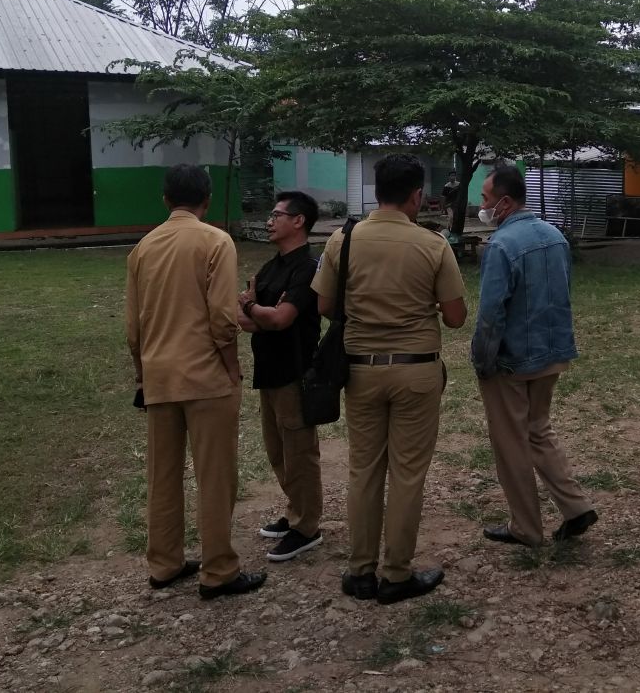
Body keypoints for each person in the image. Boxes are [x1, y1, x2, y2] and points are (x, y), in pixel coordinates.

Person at [312, 153, 467, 605]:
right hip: (416, 371)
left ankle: (359, 570)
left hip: (360, 370)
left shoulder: (343, 240)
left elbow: (323, 306)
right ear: (417, 195)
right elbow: (456, 317)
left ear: (375, 192)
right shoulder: (433, 245)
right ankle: (396, 573)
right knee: (407, 474)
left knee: (364, 470)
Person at [125, 164, 266, 599]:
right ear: (206, 200)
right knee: (215, 475)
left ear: (166, 199)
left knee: (162, 475)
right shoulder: (215, 241)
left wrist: (143, 374)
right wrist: (231, 369)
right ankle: (219, 569)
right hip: (206, 377)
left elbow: (133, 328)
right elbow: (223, 319)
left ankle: (164, 564)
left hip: (159, 377)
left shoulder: (143, 248)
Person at [470, 165, 597, 548]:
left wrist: (482, 361)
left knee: (511, 445)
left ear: (505, 203)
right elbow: (565, 292)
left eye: (486, 199)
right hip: (552, 353)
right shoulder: (555, 236)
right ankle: (576, 507)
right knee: (538, 430)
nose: (483, 206)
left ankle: (525, 527)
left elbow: (491, 314)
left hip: (510, 362)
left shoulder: (501, 245)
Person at [237, 191, 323, 563]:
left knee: (299, 452)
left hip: (295, 370)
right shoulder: (273, 267)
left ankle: (307, 527)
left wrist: (253, 307)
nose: (270, 221)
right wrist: (258, 312)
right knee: (277, 450)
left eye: (277, 215)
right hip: (268, 370)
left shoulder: (307, 267)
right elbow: (247, 322)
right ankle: (294, 512)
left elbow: (281, 318)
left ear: (298, 221)